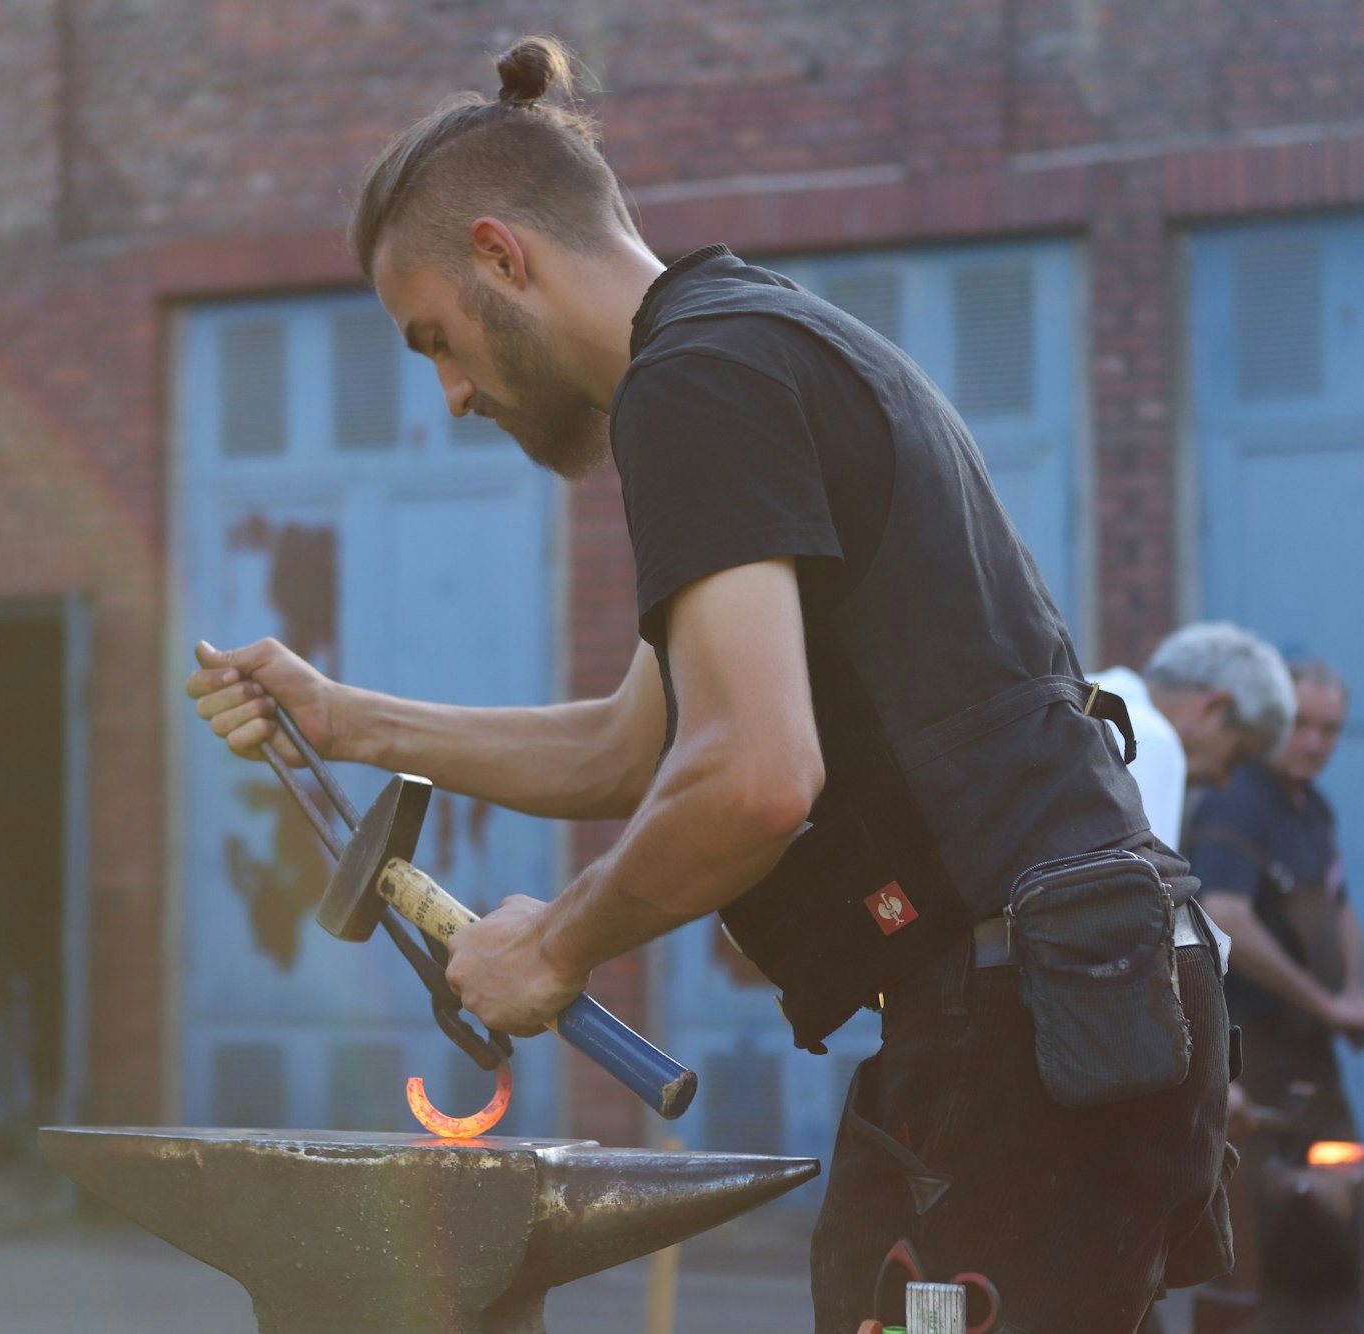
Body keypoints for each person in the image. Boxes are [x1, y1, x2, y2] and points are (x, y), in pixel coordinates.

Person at [186, 36, 1232, 1331]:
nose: (451, 393)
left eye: (435, 341)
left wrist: (553, 947)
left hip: (1025, 1016)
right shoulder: (747, 345)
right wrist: (345, 719)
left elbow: (749, 776)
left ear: (502, 255)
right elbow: (631, 751)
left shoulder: (695, 383)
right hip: (1064, 996)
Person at [1190, 658, 1363, 1134]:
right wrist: (1327, 1005)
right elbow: (1225, 916)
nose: (1313, 743)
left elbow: (1338, 907)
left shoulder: (1315, 809)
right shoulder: (1236, 796)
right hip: (1245, 1048)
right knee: (1262, 1198)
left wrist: (1353, 993)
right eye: (1299, 724)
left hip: (1308, 1049)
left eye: (1329, 730)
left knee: (1341, 1185)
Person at [1092, 621, 1295, 848]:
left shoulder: (1087, 699)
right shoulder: (1151, 741)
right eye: (1235, 759)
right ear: (1215, 707)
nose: (1222, 783)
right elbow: (1137, 877)